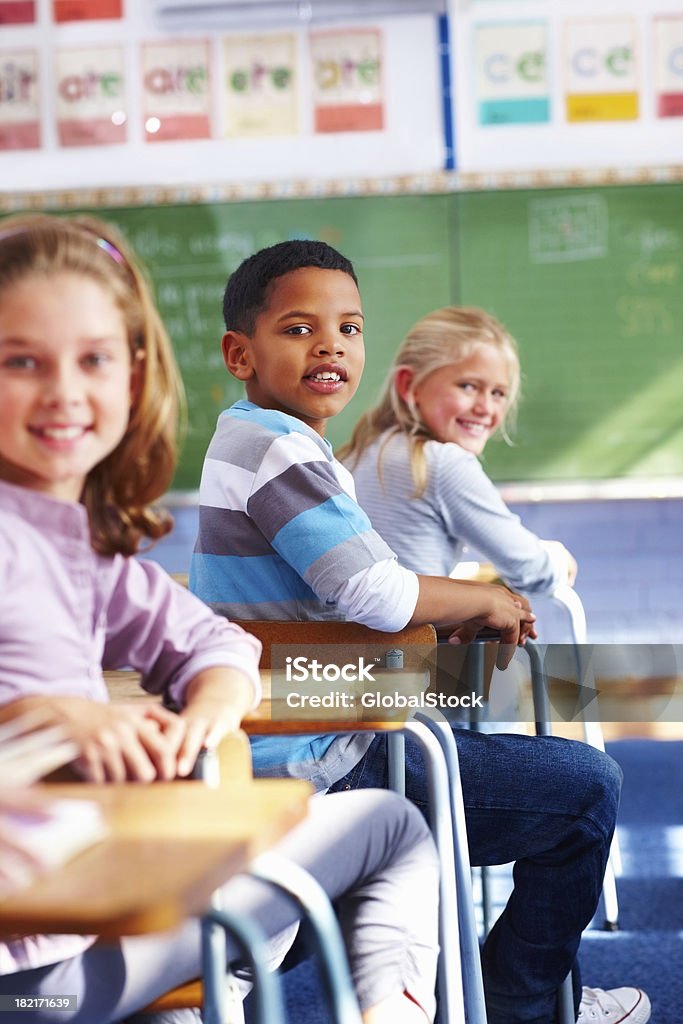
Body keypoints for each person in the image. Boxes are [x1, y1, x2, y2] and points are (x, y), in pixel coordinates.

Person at [190, 238, 650, 1024]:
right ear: (240, 352)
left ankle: (435, 979)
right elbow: (371, 591)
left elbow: (340, 613)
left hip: (308, 724)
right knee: (586, 789)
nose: (331, 344)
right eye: (299, 329)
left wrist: (442, 616)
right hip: (318, 748)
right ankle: (520, 1005)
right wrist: (479, 604)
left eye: (350, 328)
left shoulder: (282, 444)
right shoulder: (275, 450)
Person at [0, 213, 440, 1024]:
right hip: (33, 981)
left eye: (94, 360)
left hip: (91, 936)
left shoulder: (78, 547)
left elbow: (214, 641)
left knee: (207, 952)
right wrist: (42, 724)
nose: (65, 390)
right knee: (391, 827)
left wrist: (205, 713)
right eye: (21, 362)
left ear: (133, 378)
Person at [339, 305, 577, 592]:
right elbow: (530, 570)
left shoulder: (360, 452)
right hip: (411, 637)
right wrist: (557, 560)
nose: (486, 408)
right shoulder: (441, 462)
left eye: (498, 393)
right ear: (409, 385)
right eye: (468, 386)